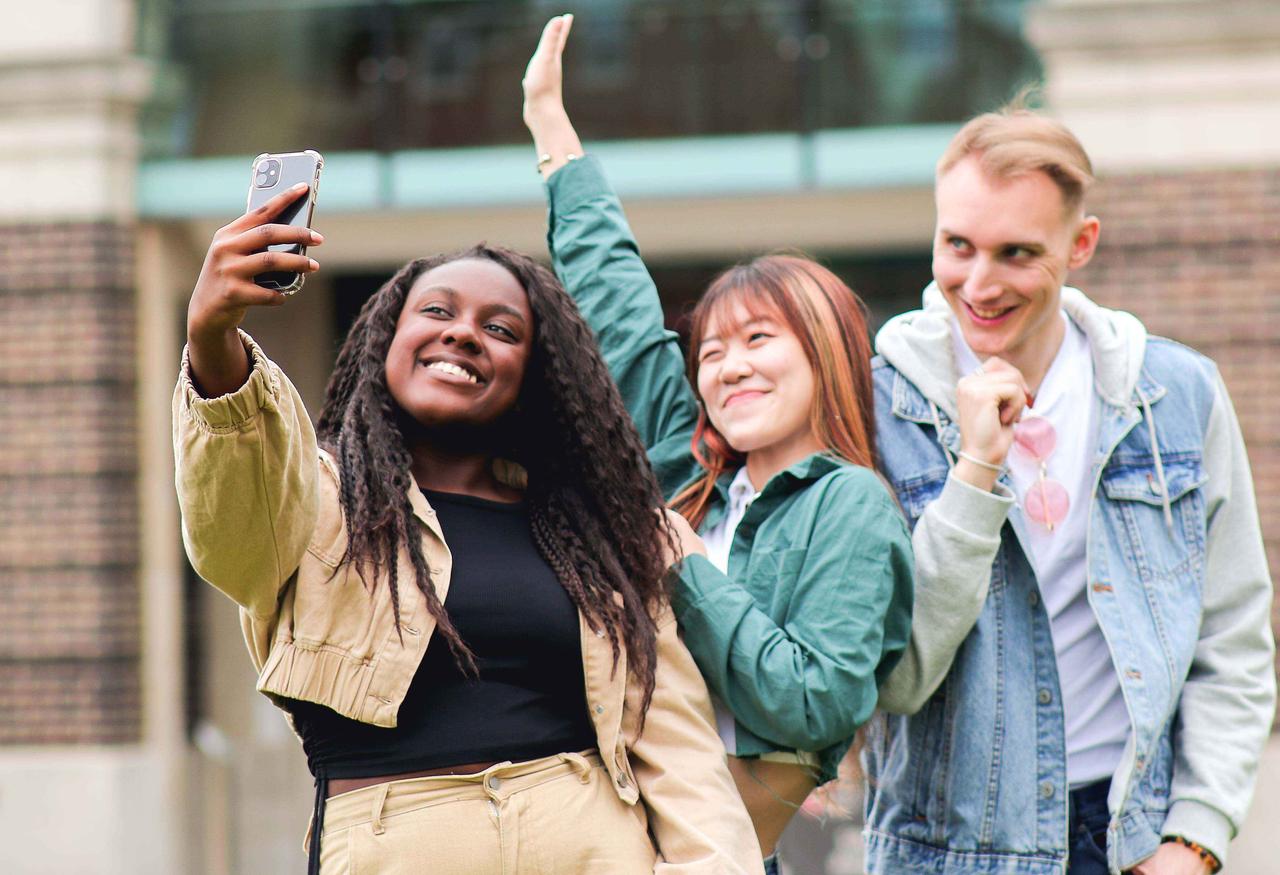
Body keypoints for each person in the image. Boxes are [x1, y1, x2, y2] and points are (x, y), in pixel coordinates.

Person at [172, 183, 766, 874]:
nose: (463, 333)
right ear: (385, 341)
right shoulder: (315, 500)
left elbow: (680, 751)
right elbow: (232, 540)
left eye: (502, 329)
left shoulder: (602, 533)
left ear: (533, 377)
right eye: (437, 311)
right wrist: (213, 342)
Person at [521, 16, 914, 875]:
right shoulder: (696, 476)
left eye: (759, 341)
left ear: (824, 349)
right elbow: (620, 316)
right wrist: (555, 137)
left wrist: (686, 564)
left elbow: (813, 701)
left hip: (725, 843)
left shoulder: (849, 502)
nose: (730, 366)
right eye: (711, 351)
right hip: (621, 828)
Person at [864, 103, 1276, 874]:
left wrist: (1195, 837)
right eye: (957, 245)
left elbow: (1234, 638)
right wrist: (976, 472)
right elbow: (899, 672)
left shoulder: (1175, 396)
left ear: (1081, 244)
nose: (978, 284)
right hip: (946, 854)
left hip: (1131, 842)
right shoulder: (878, 408)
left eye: (1016, 253)